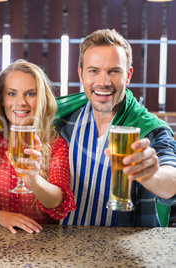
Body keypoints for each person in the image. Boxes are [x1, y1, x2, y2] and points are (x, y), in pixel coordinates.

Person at [56, 29, 176, 227]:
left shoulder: (152, 130)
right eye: (94, 70)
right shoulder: (63, 122)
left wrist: (151, 175)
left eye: (114, 71)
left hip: (126, 249)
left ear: (128, 75)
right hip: (65, 245)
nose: (103, 82)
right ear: (81, 74)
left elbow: (171, 180)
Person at [0, 59, 76, 234]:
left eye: (30, 94)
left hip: (40, 246)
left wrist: (34, 180)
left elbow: (59, 204)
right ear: (2, 100)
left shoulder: (56, 145)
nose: (21, 102)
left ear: (41, 100)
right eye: (12, 94)